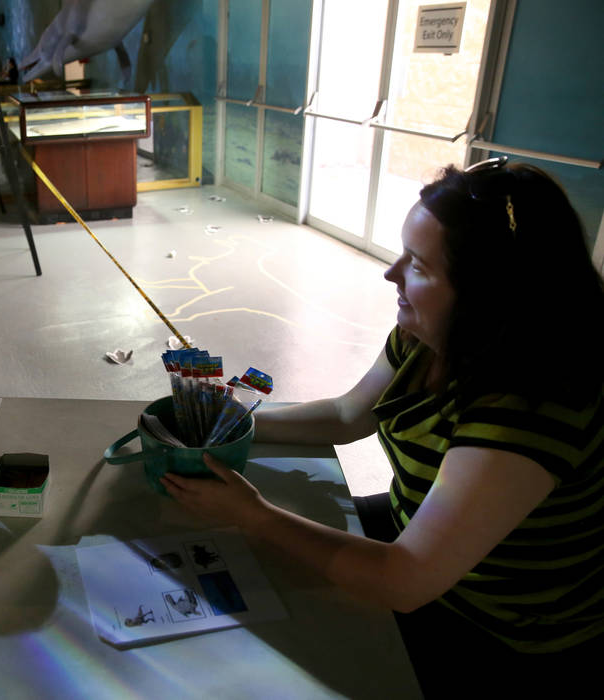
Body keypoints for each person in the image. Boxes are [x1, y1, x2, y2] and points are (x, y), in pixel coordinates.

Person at [162, 158, 604, 696]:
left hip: (497, 630)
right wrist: (233, 422)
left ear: (487, 295)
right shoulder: (427, 334)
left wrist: (254, 515)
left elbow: (405, 580)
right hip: (411, 535)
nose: (390, 273)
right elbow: (350, 415)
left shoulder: (528, 408)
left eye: (418, 265)